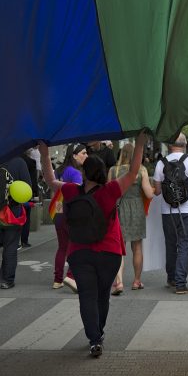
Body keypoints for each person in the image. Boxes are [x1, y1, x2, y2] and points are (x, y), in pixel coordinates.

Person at [63, 132, 148, 357]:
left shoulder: (71, 191)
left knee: (86, 296)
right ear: (103, 172)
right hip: (108, 253)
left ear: (83, 172)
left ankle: (93, 338)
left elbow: (51, 180)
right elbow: (132, 172)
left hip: (79, 252)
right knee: (102, 295)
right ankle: (98, 333)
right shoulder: (110, 191)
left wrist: (43, 152)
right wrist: (140, 142)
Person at [153, 133, 188, 294]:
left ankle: (172, 278)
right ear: (185, 144)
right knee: (183, 245)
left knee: (170, 244)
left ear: (169, 145)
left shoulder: (161, 163)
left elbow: (158, 191)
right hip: (187, 210)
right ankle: (181, 284)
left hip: (167, 211)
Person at [108, 142, 155, 292]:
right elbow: (148, 194)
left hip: (118, 209)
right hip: (136, 209)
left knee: (118, 248)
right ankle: (136, 281)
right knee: (137, 247)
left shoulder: (113, 171)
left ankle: (119, 282)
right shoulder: (141, 170)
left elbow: (108, 193)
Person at [0, 156, 32, 290]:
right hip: (12, 212)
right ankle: (7, 280)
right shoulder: (19, 162)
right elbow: (28, 187)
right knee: (11, 245)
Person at [42, 143, 87, 290]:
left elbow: (52, 186)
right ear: (74, 155)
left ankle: (57, 280)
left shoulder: (60, 170)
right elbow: (79, 195)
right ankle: (71, 276)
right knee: (76, 246)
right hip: (71, 211)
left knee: (62, 247)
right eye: (83, 153)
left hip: (58, 209)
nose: (86, 156)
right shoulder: (76, 173)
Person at [19, 149, 40, 249]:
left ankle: (13, 240)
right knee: (26, 217)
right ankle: (24, 240)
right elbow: (33, 180)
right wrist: (35, 194)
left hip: (12, 192)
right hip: (26, 192)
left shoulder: (11, 160)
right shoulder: (31, 162)